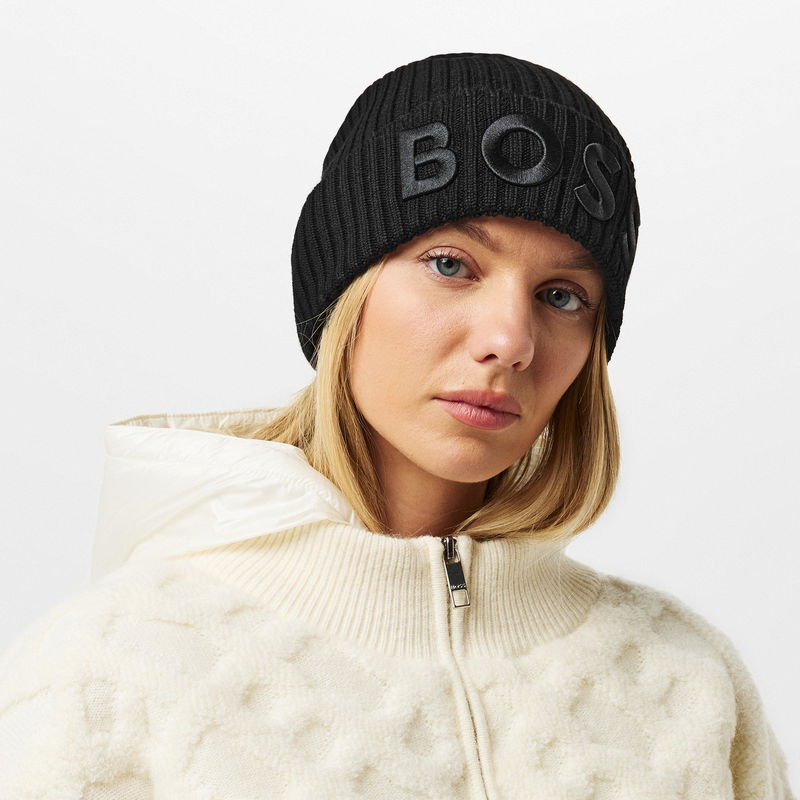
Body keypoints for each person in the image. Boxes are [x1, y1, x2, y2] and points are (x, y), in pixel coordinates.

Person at [0, 52, 794, 799]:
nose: (510, 340)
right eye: (451, 264)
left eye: (562, 296)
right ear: (345, 294)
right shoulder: (111, 669)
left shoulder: (686, 678)